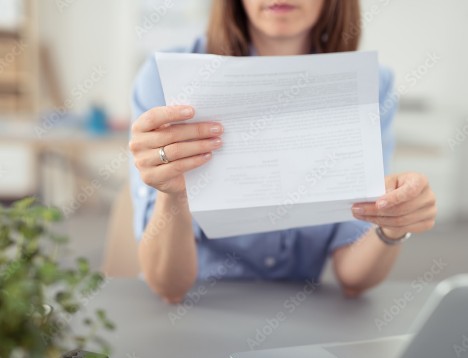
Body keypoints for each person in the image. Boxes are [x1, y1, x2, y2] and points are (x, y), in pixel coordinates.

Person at [129, 0, 437, 304]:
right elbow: (168, 286)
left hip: (299, 315)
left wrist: (392, 225)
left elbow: (354, 278)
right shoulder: (165, 79)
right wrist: (173, 194)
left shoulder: (369, 84)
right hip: (200, 309)